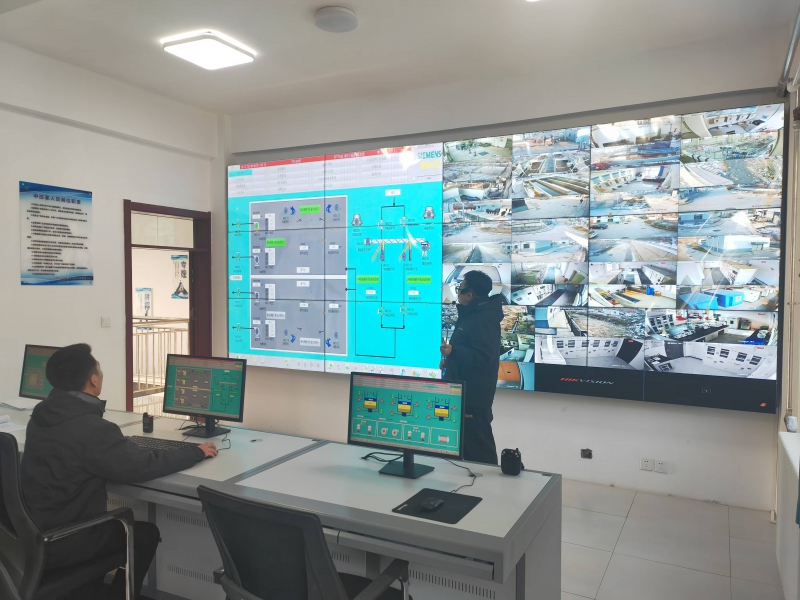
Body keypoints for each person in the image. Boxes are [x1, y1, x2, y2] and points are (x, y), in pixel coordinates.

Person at [21, 343, 217, 599]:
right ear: (93, 380)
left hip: (30, 533)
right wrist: (195, 452)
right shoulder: (91, 428)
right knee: (144, 534)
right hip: (67, 539)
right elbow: (142, 465)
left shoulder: (41, 416)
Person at [440, 270, 503, 464]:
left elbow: (484, 357)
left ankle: (489, 484)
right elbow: (468, 348)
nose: (457, 294)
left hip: (473, 397)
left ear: (470, 294)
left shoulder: (484, 318)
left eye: (459, 290)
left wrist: (454, 352)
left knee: (479, 451)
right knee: (462, 451)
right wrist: (450, 360)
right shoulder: (472, 314)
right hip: (461, 391)